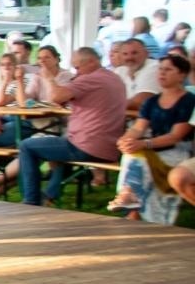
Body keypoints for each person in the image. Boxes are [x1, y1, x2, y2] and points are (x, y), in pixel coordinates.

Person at [15, 47, 127, 206]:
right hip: (109, 147)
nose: (77, 73)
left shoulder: (90, 79)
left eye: (78, 68)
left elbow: (55, 96)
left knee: (27, 146)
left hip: (86, 145)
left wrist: (49, 79)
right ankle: (48, 196)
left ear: (92, 62)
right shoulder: (114, 79)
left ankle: (31, 200)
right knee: (58, 146)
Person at [106, 53, 194, 223]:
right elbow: (139, 128)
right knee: (132, 152)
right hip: (153, 147)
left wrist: (143, 143)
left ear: (181, 75)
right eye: (160, 69)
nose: (162, 73)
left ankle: (130, 198)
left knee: (139, 157)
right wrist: (126, 140)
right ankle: (130, 201)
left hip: (176, 151)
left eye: (168, 70)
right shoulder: (152, 101)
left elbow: (176, 136)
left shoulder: (188, 101)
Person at [113, 38, 159, 119]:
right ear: (120, 57)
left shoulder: (154, 67)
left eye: (134, 53)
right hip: (126, 120)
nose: (129, 57)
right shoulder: (120, 71)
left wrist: (110, 106)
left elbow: (141, 102)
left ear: (146, 54)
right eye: (125, 54)